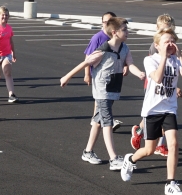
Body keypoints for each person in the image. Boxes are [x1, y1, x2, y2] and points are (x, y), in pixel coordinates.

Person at [60, 17, 144, 171]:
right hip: (102, 90)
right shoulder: (103, 50)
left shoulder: (125, 48)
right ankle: (113, 158)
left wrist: (139, 73)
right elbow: (86, 62)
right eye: (124, 30)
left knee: (98, 120)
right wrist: (67, 76)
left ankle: (88, 151)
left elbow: (130, 64)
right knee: (107, 121)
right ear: (115, 33)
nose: (127, 32)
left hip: (113, 88)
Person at [120, 29, 182, 195]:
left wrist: (180, 56)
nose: (171, 44)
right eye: (167, 41)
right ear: (157, 45)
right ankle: (130, 160)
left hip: (169, 109)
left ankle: (170, 183)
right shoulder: (149, 60)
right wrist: (164, 58)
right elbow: (158, 78)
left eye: (173, 41)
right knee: (149, 150)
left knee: (173, 144)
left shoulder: (176, 60)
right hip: (152, 110)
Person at [131, 14, 177, 154]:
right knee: (154, 114)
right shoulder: (155, 47)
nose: (166, 32)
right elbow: (158, 70)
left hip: (167, 86)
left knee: (164, 116)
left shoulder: (171, 44)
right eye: (162, 29)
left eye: (169, 29)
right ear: (157, 29)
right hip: (154, 84)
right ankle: (142, 132)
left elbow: (172, 68)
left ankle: (157, 142)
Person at [84, 12, 123, 132]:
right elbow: (87, 57)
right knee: (101, 98)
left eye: (110, 21)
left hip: (112, 75)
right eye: (105, 22)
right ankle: (104, 120)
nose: (107, 24)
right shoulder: (98, 38)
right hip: (99, 75)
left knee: (105, 99)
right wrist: (87, 74)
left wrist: (124, 66)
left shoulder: (116, 37)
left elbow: (121, 55)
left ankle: (97, 120)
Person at [0, 6, 17, 103]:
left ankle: (11, 94)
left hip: (7, 54)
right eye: (3, 15)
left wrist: (13, 53)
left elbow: (11, 41)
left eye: (6, 15)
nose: (5, 17)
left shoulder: (9, 28)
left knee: (8, 72)